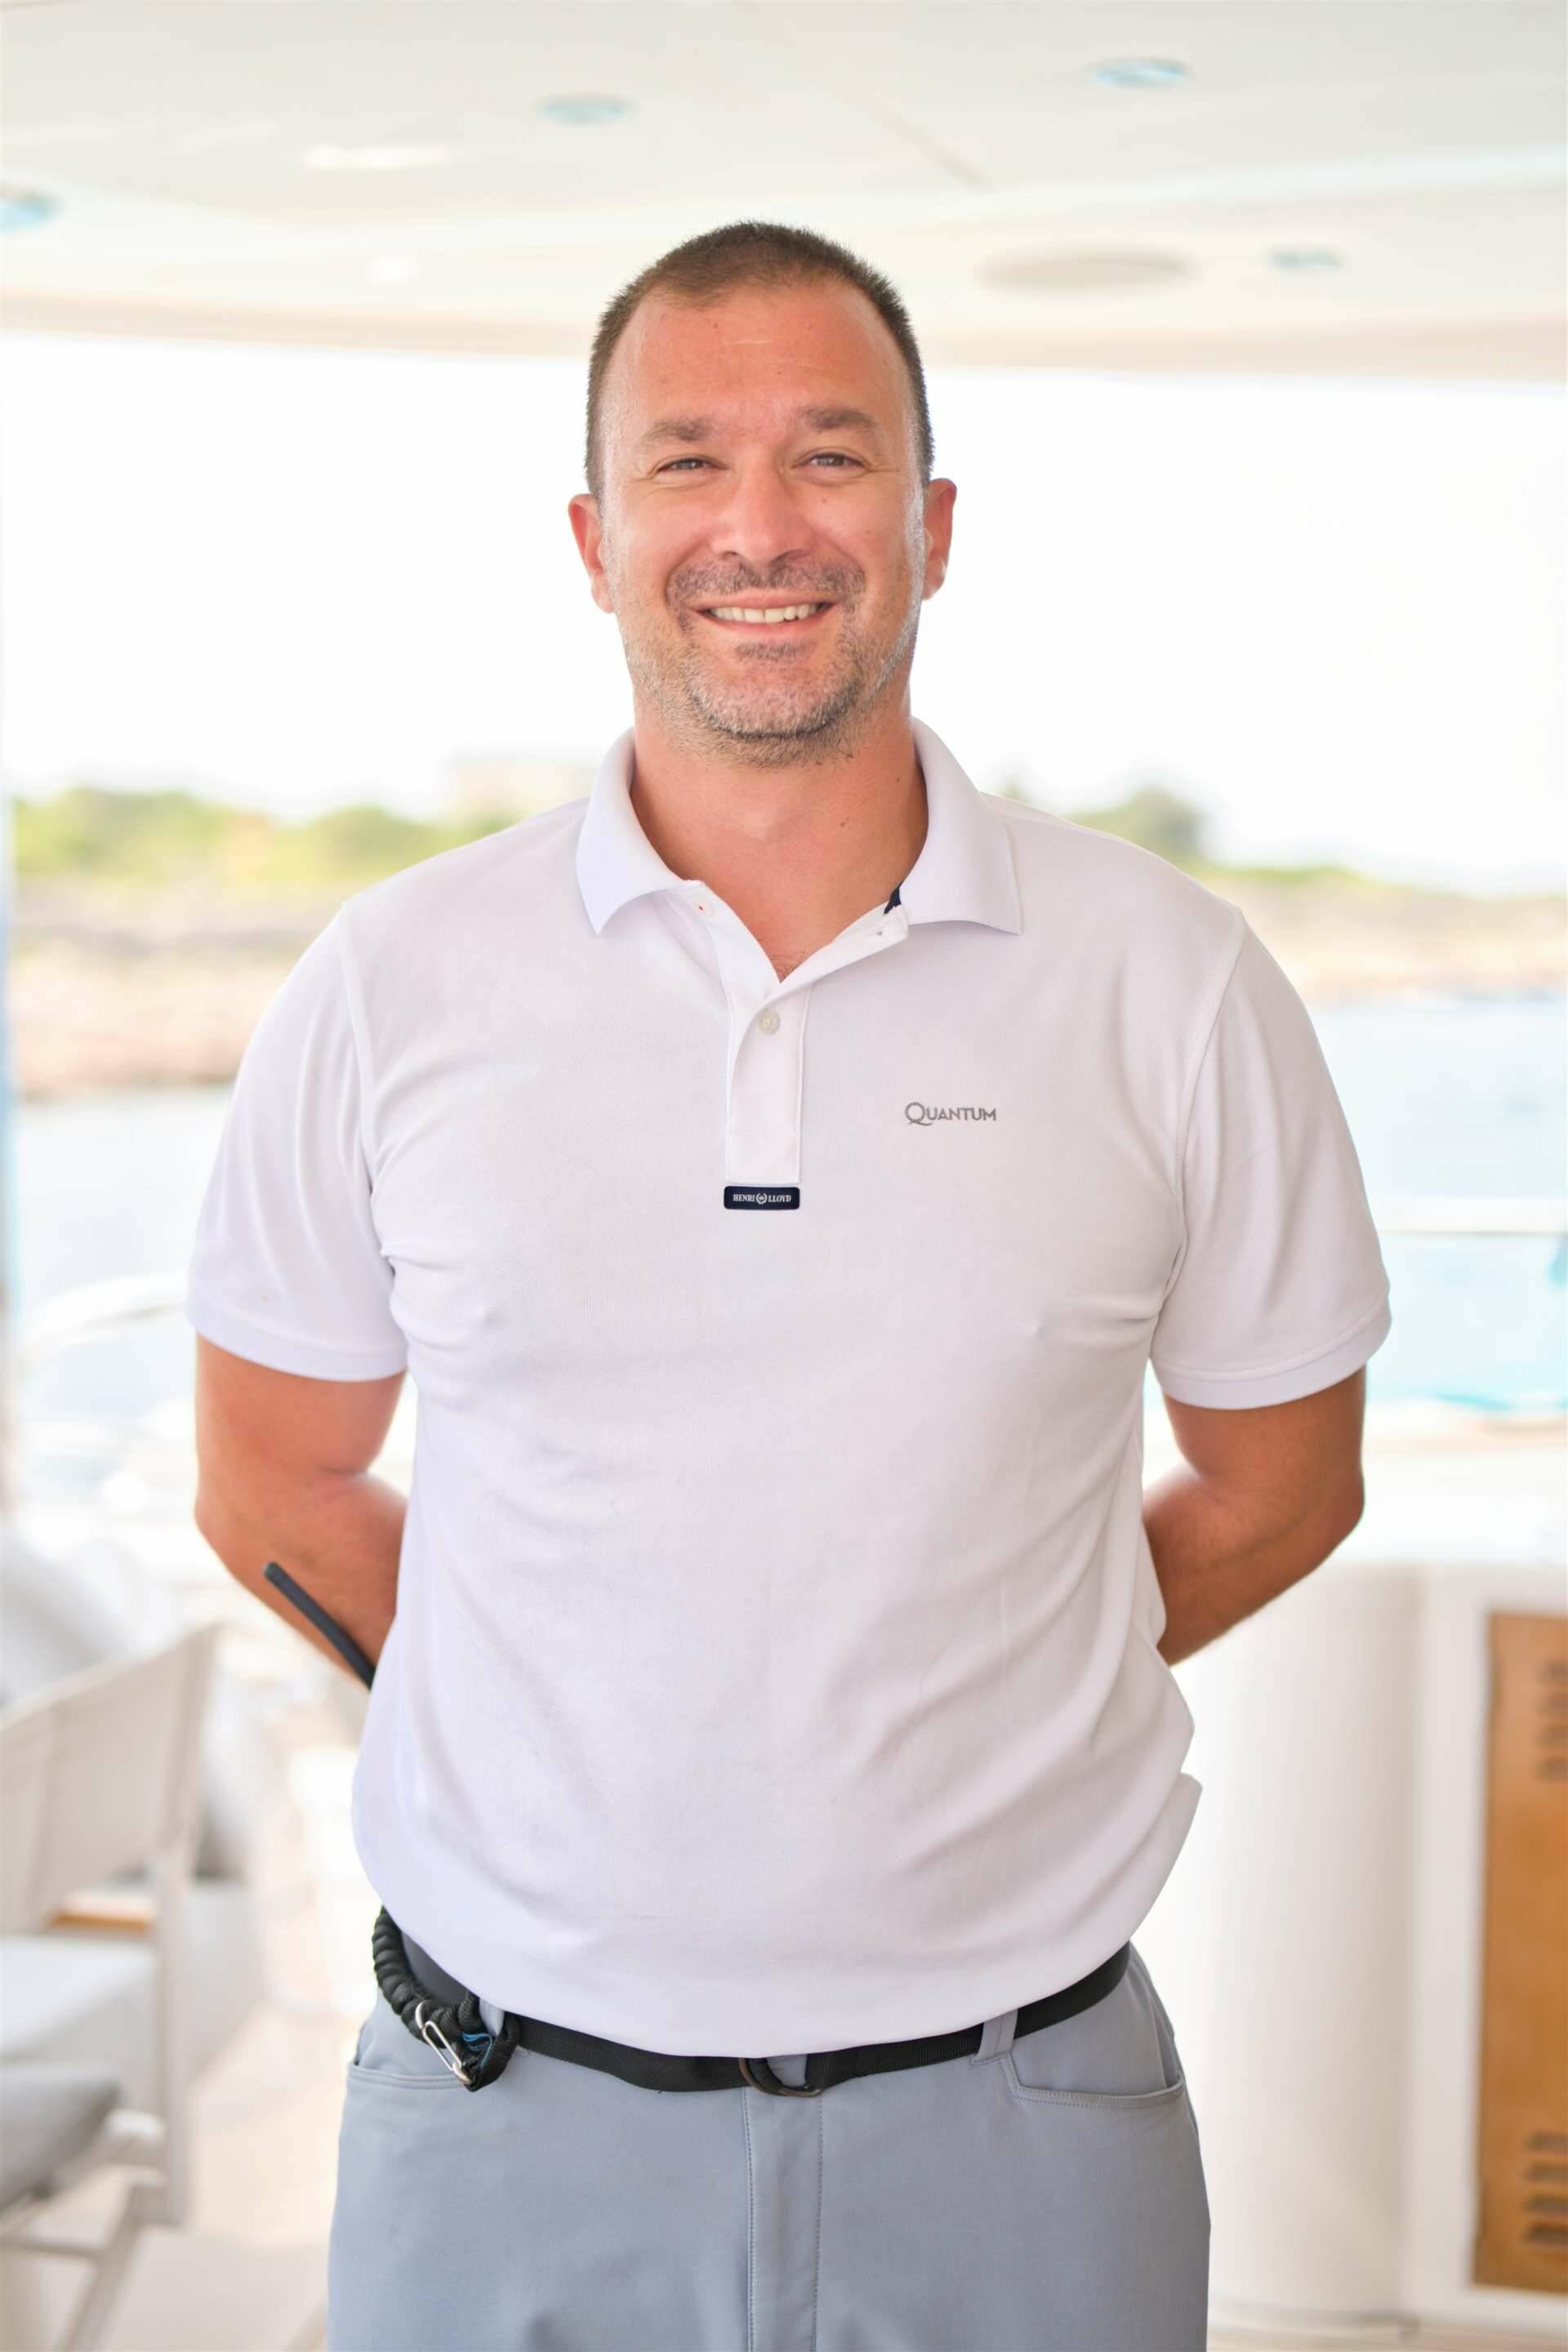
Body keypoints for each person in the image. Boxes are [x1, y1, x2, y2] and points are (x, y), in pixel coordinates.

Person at [186, 219, 1392, 2352]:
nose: (761, 526)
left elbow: (1284, 1482)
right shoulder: (391, 982)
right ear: (594, 540)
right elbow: (269, 1482)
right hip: (502, 2116)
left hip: (1025, 2121)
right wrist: (569, 1715)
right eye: (687, 462)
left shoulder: (1174, 983)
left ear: (933, 525)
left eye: (832, 457)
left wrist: (970, 1691)